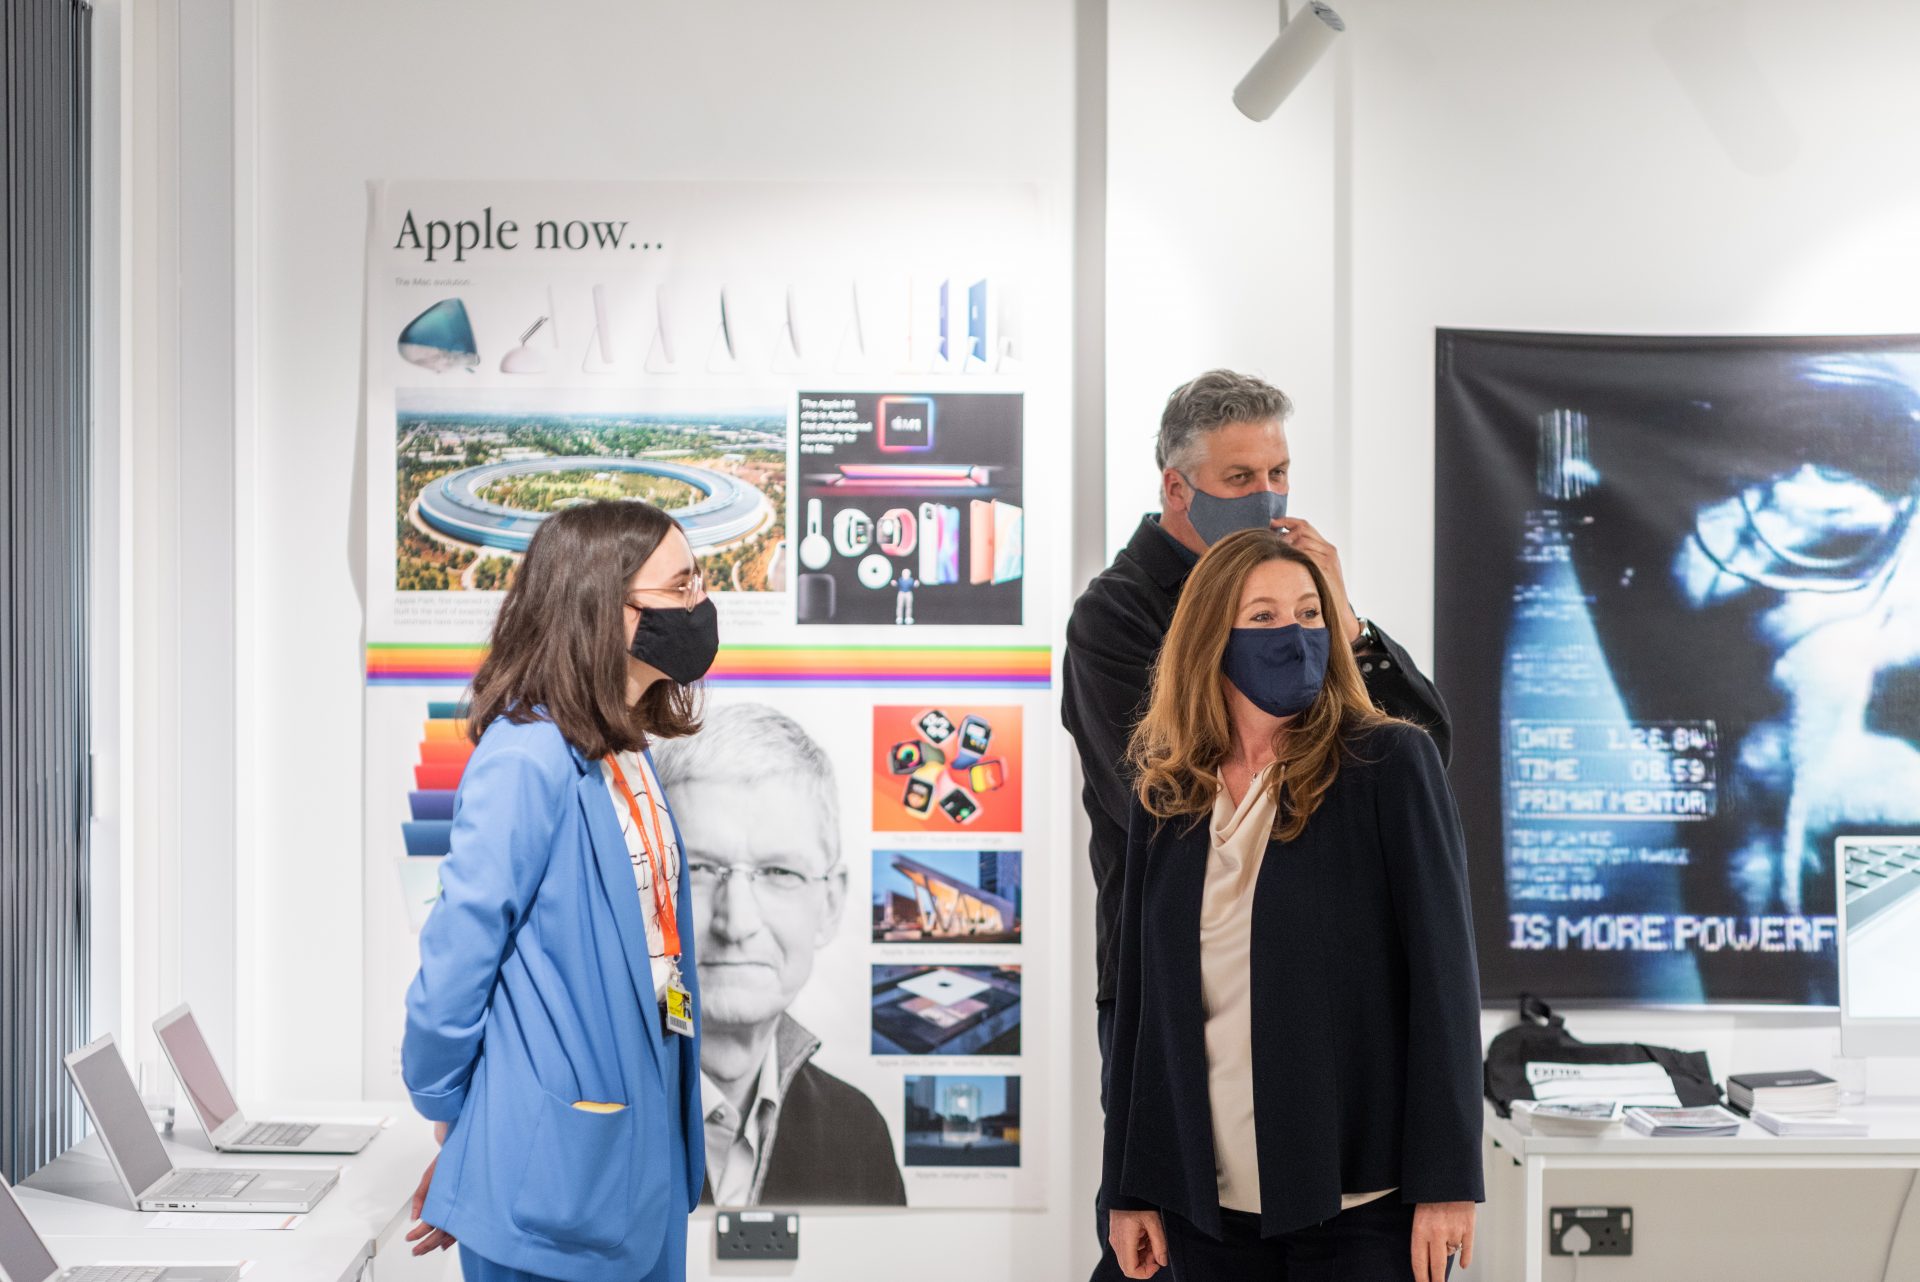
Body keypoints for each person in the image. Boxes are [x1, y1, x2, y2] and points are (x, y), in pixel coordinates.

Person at [1063, 369, 1452, 1278]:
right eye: (1241, 478)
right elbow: (1164, 796)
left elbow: (1422, 753)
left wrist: (1339, 615)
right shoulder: (1115, 618)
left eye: (1280, 472)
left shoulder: (1310, 609)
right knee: (1177, 1225)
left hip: (1309, 969)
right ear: (1178, 488)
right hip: (1166, 963)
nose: (1269, 497)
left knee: (1311, 1220)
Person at [1102, 529, 1482, 1282]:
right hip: (1202, 1206)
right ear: (1213, 635)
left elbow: (1445, 984)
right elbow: (1142, 1005)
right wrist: (1128, 1186)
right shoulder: (1168, 791)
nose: (1297, 636)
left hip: (1356, 1204)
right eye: (1267, 617)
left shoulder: (1388, 764)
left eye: (1312, 614)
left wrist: (1448, 1186)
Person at [400, 500, 715, 1282]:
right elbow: (454, 969)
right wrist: (462, 1125)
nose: (701, 604)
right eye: (680, 588)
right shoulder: (527, 757)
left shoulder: (624, 746)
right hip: (561, 1178)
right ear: (603, 606)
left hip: (642, 1162)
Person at [651, 702, 908, 1207]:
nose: (737, 922)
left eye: (778, 873)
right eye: (700, 870)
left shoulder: (858, 1133)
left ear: (830, 902)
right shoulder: (583, 1123)